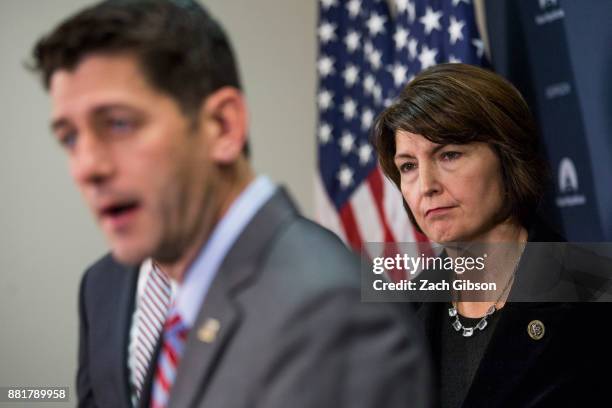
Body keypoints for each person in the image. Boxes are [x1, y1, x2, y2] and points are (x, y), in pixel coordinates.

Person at [31, 1, 432, 407]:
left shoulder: (330, 316)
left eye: (118, 123)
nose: (86, 167)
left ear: (223, 126)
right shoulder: (184, 307)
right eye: (70, 138)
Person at [373, 63, 612, 407]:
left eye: (449, 155)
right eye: (408, 166)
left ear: (508, 157)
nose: (426, 186)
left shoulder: (593, 293)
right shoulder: (399, 313)